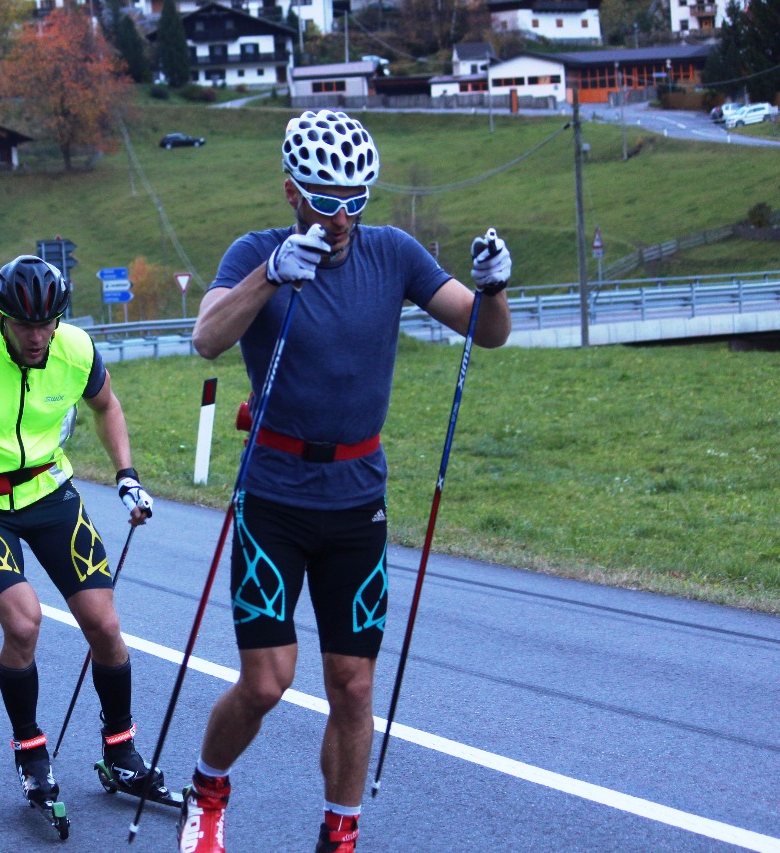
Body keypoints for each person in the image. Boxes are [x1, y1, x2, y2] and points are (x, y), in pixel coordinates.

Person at [177, 110, 512, 853]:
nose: (341, 219)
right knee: (267, 682)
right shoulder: (255, 251)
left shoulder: (391, 253)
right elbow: (205, 337)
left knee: (353, 685)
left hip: (356, 498)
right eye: (326, 200)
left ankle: (340, 832)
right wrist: (270, 277)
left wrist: (493, 287)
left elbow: (485, 331)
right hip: (273, 497)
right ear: (292, 192)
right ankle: (207, 789)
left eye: (356, 200)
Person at [0, 255, 177, 817]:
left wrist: (127, 476)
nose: (38, 336)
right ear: (2, 319)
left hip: (51, 492)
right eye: (25, 325)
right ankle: (30, 749)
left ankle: (120, 751)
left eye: (48, 323)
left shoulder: (75, 348)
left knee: (104, 622)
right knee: (24, 623)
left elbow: (108, 406)